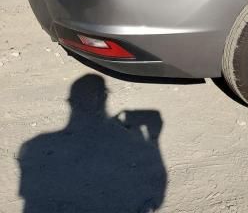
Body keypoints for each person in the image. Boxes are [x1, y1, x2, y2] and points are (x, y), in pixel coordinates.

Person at [18, 74, 167, 213]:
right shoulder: (124, 144)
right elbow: (155, 197)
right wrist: (154, 141)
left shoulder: (34, 146)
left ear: (71, 102)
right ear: (102, 98)